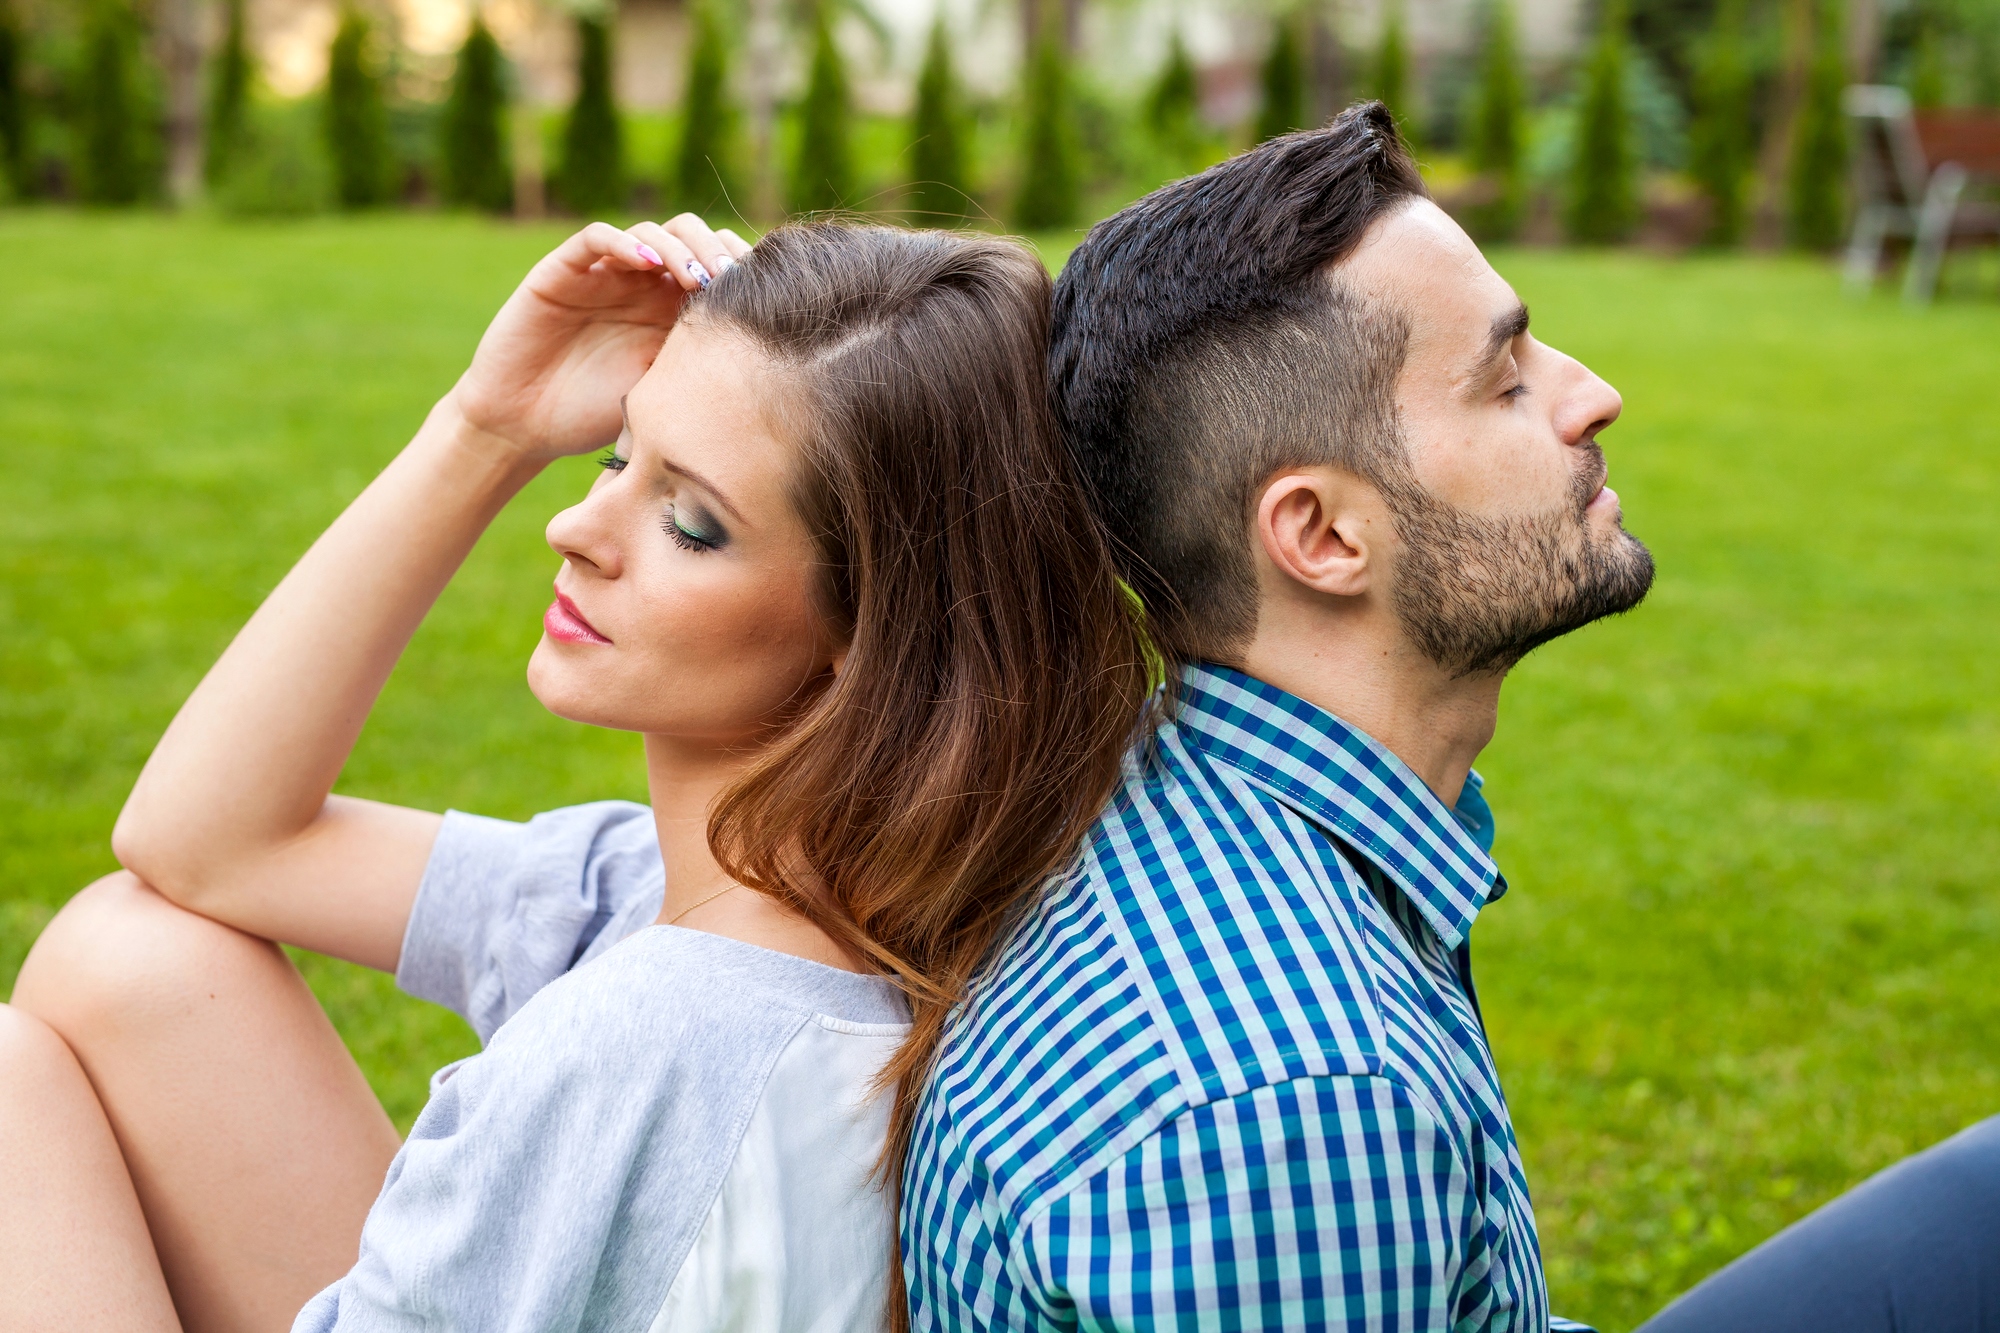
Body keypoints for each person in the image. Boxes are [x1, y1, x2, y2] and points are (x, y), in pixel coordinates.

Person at [900, 103, 2000, 1333]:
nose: (1593, 397)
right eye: (1505, 377)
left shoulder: (1194, 793)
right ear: (1320, 535)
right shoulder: (1289, 1106)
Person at [0, 215, 1150, 1330]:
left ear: (872, 632)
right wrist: (484, 425)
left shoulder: (649, 1039)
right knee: (132, 951)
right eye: (617, 452)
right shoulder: (745, 901)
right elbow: (206, 844)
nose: (575, 526)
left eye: (691, 523)